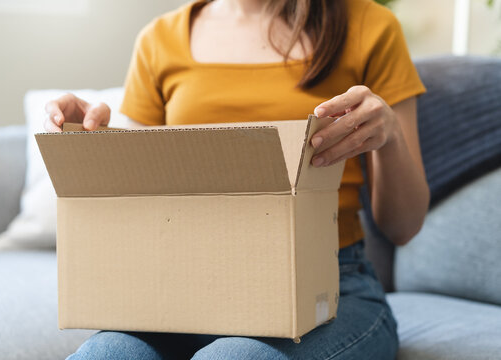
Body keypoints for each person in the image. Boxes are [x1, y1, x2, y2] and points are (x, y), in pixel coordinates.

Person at [45, 0, 430, 358]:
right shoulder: (158, 39)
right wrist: (95, 140)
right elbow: (143, 205)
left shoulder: (370, 26)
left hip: (332, 289)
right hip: (180, 288)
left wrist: (390, 137)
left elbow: (403, 227)